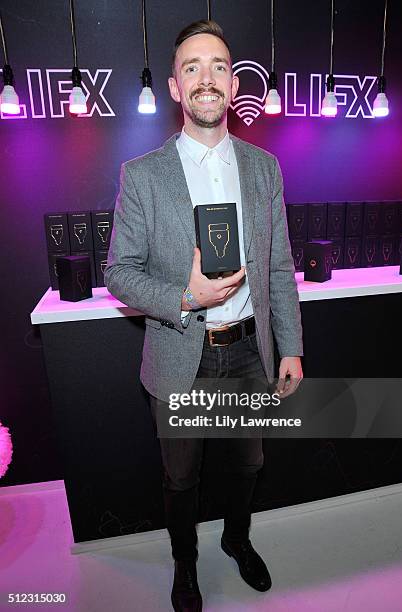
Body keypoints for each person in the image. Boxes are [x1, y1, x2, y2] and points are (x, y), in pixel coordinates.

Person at [105, 19, 303, 612]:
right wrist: (187, 297)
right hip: (180, 349)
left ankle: (237, 541)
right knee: (182, 479)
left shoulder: (264, 168)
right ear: (174, 87)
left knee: (248, 463)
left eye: (217, 65)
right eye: (192, 67)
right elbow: (118, 273)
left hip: (249, 351)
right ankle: (185, 566)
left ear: (233, 80)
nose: (206, 78)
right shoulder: (141, 175)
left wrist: (290, 347)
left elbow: (279, 266)